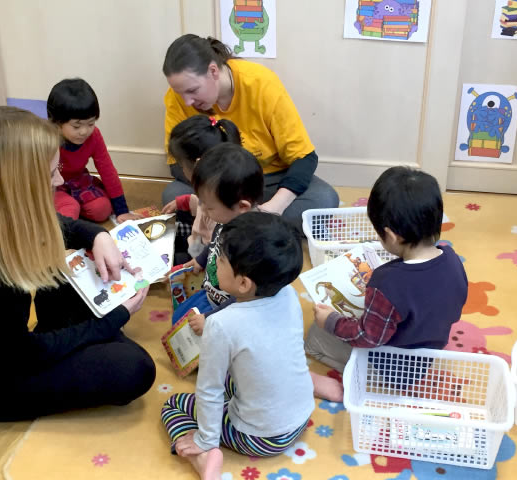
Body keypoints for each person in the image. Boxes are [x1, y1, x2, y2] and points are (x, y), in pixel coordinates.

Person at [0, 106, 155, 441]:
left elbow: (46, 222)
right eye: (52, 172)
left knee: (75, 267)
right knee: (134, 368)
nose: (59, 180)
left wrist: (95, 235)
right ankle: (84, 337)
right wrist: (109, 323)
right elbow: (22, 355)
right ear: (18, 182)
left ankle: (77, 336)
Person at [161, 212, 314, 480]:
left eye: (219, 261)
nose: (214, 265)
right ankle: (313, 382)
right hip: (301, 414)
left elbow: (209, 390)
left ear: (243, 283)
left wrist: (206, 439)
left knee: (174, 404)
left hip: (259, 437)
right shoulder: (288, 294)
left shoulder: (221, 324)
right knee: (244, 373)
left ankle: (203, 459)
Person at [305, 166, 468, 402]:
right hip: (428, 353)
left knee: (315, 335)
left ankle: (370, 380)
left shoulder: (386, 282)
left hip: (391, 368)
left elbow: (368, 337)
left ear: (392, 236)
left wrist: (330, 321)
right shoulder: (452, 258)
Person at [161, 34, 339, 228]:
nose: (187, 101)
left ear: (213, 71)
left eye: (193, 91)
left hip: (268, 181)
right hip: (212, 185)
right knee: (172, 195)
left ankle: (229, 225)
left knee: (324, 198)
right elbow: (176, 162)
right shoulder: (177, 97)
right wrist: (212, 197)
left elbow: (304, 158)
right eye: (180, 93)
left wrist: (275, 206)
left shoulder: (260, 82)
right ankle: (251, 225)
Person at [169, 142, 263, 329]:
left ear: (242, 207)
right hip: (210, 292)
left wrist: (211, 318)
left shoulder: (251, 245)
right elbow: (214, 243)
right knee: (178, 321)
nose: (202, 209)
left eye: (208, 206)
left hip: (232, 310)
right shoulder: (226, 220)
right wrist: (201, 260)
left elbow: (243, 298)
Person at [47, 78, 141, 223]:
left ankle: (74, 207)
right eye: (76, 126)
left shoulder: (94, 136)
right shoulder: (45, 139)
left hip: (78, 182)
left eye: (90, 123)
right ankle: (69, 208)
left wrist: (122, 210)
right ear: (57, 122)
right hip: (52, 186)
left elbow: (107, 170)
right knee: (69, 210)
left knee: (102, 209)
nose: (84, 131)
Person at [161, 115, 242, 260]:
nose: (181, 170)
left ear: (198, 165)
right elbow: (198, 203)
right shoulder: (212, 190)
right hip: (197, 243)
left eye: (181, 165)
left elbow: (216, 250)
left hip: (206, 257)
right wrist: (184, 201)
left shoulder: (222, 212)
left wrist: (198, 262)